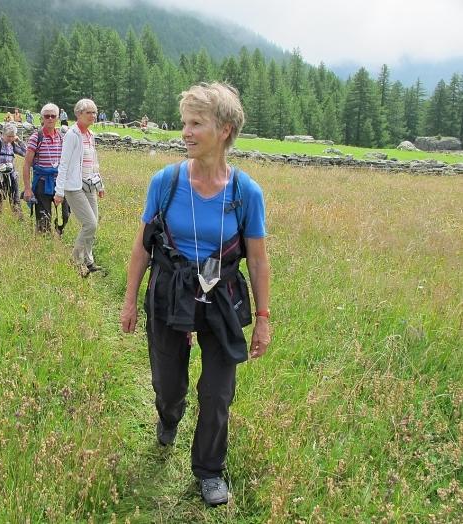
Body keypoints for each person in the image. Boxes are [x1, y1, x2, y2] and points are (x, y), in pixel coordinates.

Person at [120, 83, 271, 507]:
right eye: (184, 123)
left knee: (218, 393)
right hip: (169, 292)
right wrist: (130, 300)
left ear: (224, 130)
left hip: (222, 298)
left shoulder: (246, 193)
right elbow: (142, 247)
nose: (185, 132)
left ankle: (209, 470)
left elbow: (258, 260)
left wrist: (263, 318)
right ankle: (169, 415)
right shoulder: (165, 183)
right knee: (168, 384)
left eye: (196, 123)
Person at [54, 99, 105, 277]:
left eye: (94, 112)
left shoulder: (90, 135)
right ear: (78, 114)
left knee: (93, 225)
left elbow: (94, 163)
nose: (93, 116)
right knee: (90, 224)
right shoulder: (72, 135)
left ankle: (89, 261)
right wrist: (59, 191)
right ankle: (76, 262)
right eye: (89, 112)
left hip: (90, 185)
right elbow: (64, 163)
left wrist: (100, 184)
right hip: (74, 187)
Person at [22, 103, 69, 235]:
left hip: (59, 183)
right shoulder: (36, 138)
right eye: (47, 116)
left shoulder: (61, 137)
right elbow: (26, 164)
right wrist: (27, 189)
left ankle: (58, 236)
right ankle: (43, 242)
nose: (50, 119)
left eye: (53, 116)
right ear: (42, 118)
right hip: (42, 183)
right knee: (43, 219)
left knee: (65, 215)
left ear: (57, 118)